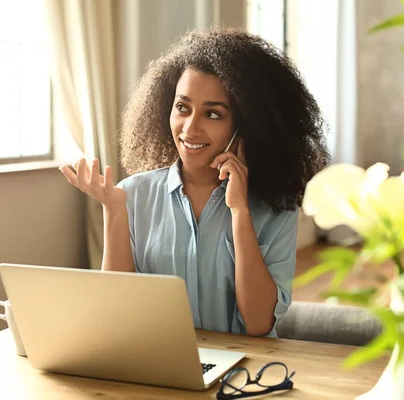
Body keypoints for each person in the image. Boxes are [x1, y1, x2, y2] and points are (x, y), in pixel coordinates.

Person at [59, 27, 329, 337]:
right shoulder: (132, 195)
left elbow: (258, 323)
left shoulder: (276, 207)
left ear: (248, 125)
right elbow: (116, 315)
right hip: (158, 368)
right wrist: (114, 211)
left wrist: (239, 211)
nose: (190, 128)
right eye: (182, 108)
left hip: (243, 373)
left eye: (213, 114)